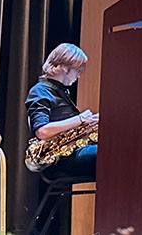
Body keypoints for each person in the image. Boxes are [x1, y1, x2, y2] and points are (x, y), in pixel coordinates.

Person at [25, 43, 97, 180]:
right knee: (112, 155)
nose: (79, 75)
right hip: (62, 158)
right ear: (64, 67)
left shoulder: (61, 92)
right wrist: (80, 119)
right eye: (78, 70)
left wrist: (92, 121)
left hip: (75, 150)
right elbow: (42, 131)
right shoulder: (40, 91)